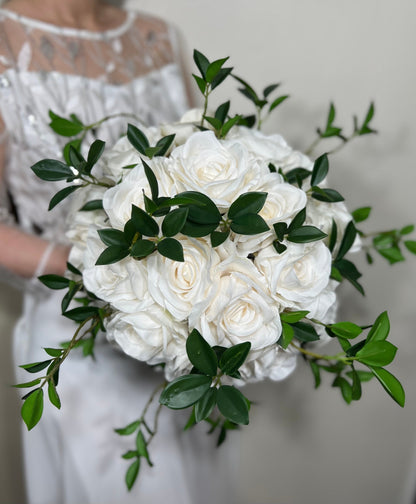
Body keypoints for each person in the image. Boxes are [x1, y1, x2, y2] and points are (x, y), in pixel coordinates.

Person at [0, 1, 236, 503]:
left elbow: (200, 168)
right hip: (77, 338)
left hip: (181, 340)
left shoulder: (157, 37)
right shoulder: (5, 41)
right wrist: (110, 268)